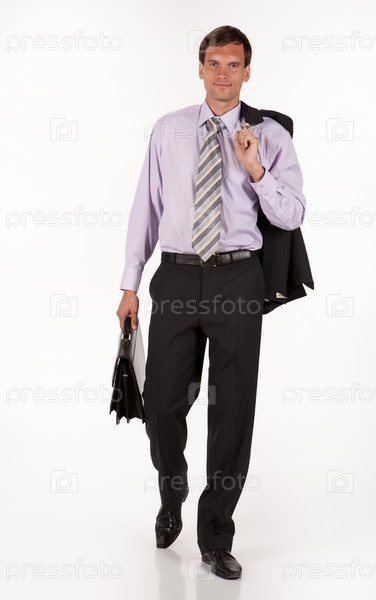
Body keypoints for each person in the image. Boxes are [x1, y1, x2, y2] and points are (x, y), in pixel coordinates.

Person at [116, 25, 306, 580]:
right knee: (162, 403)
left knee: (232, 411)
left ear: (248, 71)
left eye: (234, 64)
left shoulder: (269, 135)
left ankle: (216, 534)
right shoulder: (169, 129)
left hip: (238, 279)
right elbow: (146, 208)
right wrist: (129, 283)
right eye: (214, 63)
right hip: (176, 277)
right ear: (200, 69)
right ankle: (171, 491)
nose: (224, 73)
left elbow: (292, 213)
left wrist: (254, 168)